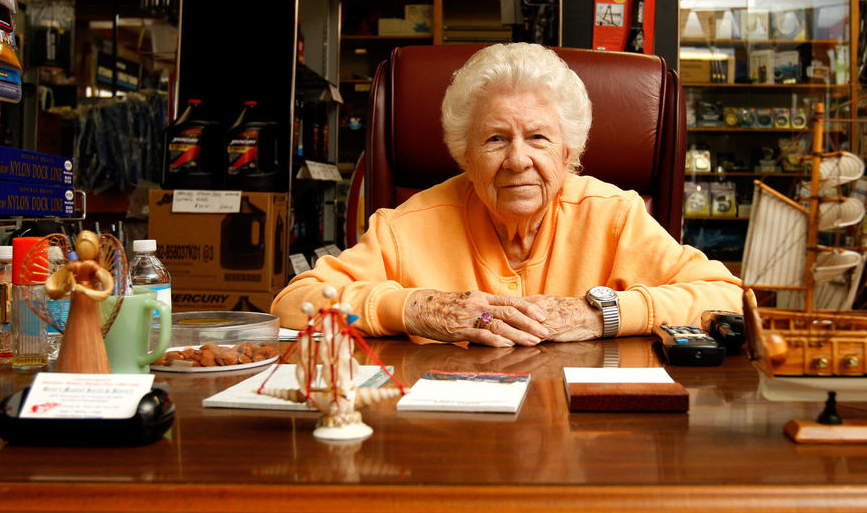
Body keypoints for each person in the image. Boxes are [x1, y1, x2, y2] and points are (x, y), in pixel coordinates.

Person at [272, 43, 742, 347]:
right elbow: (294, 304)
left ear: (568, 151)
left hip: (579, 439)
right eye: (495, 139)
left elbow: (732, 299)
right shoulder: (406, 225)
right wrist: (413, 309)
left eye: (537, 138)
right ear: (464, 152)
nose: (517, 159)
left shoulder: (614, 216)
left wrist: (603, 314)